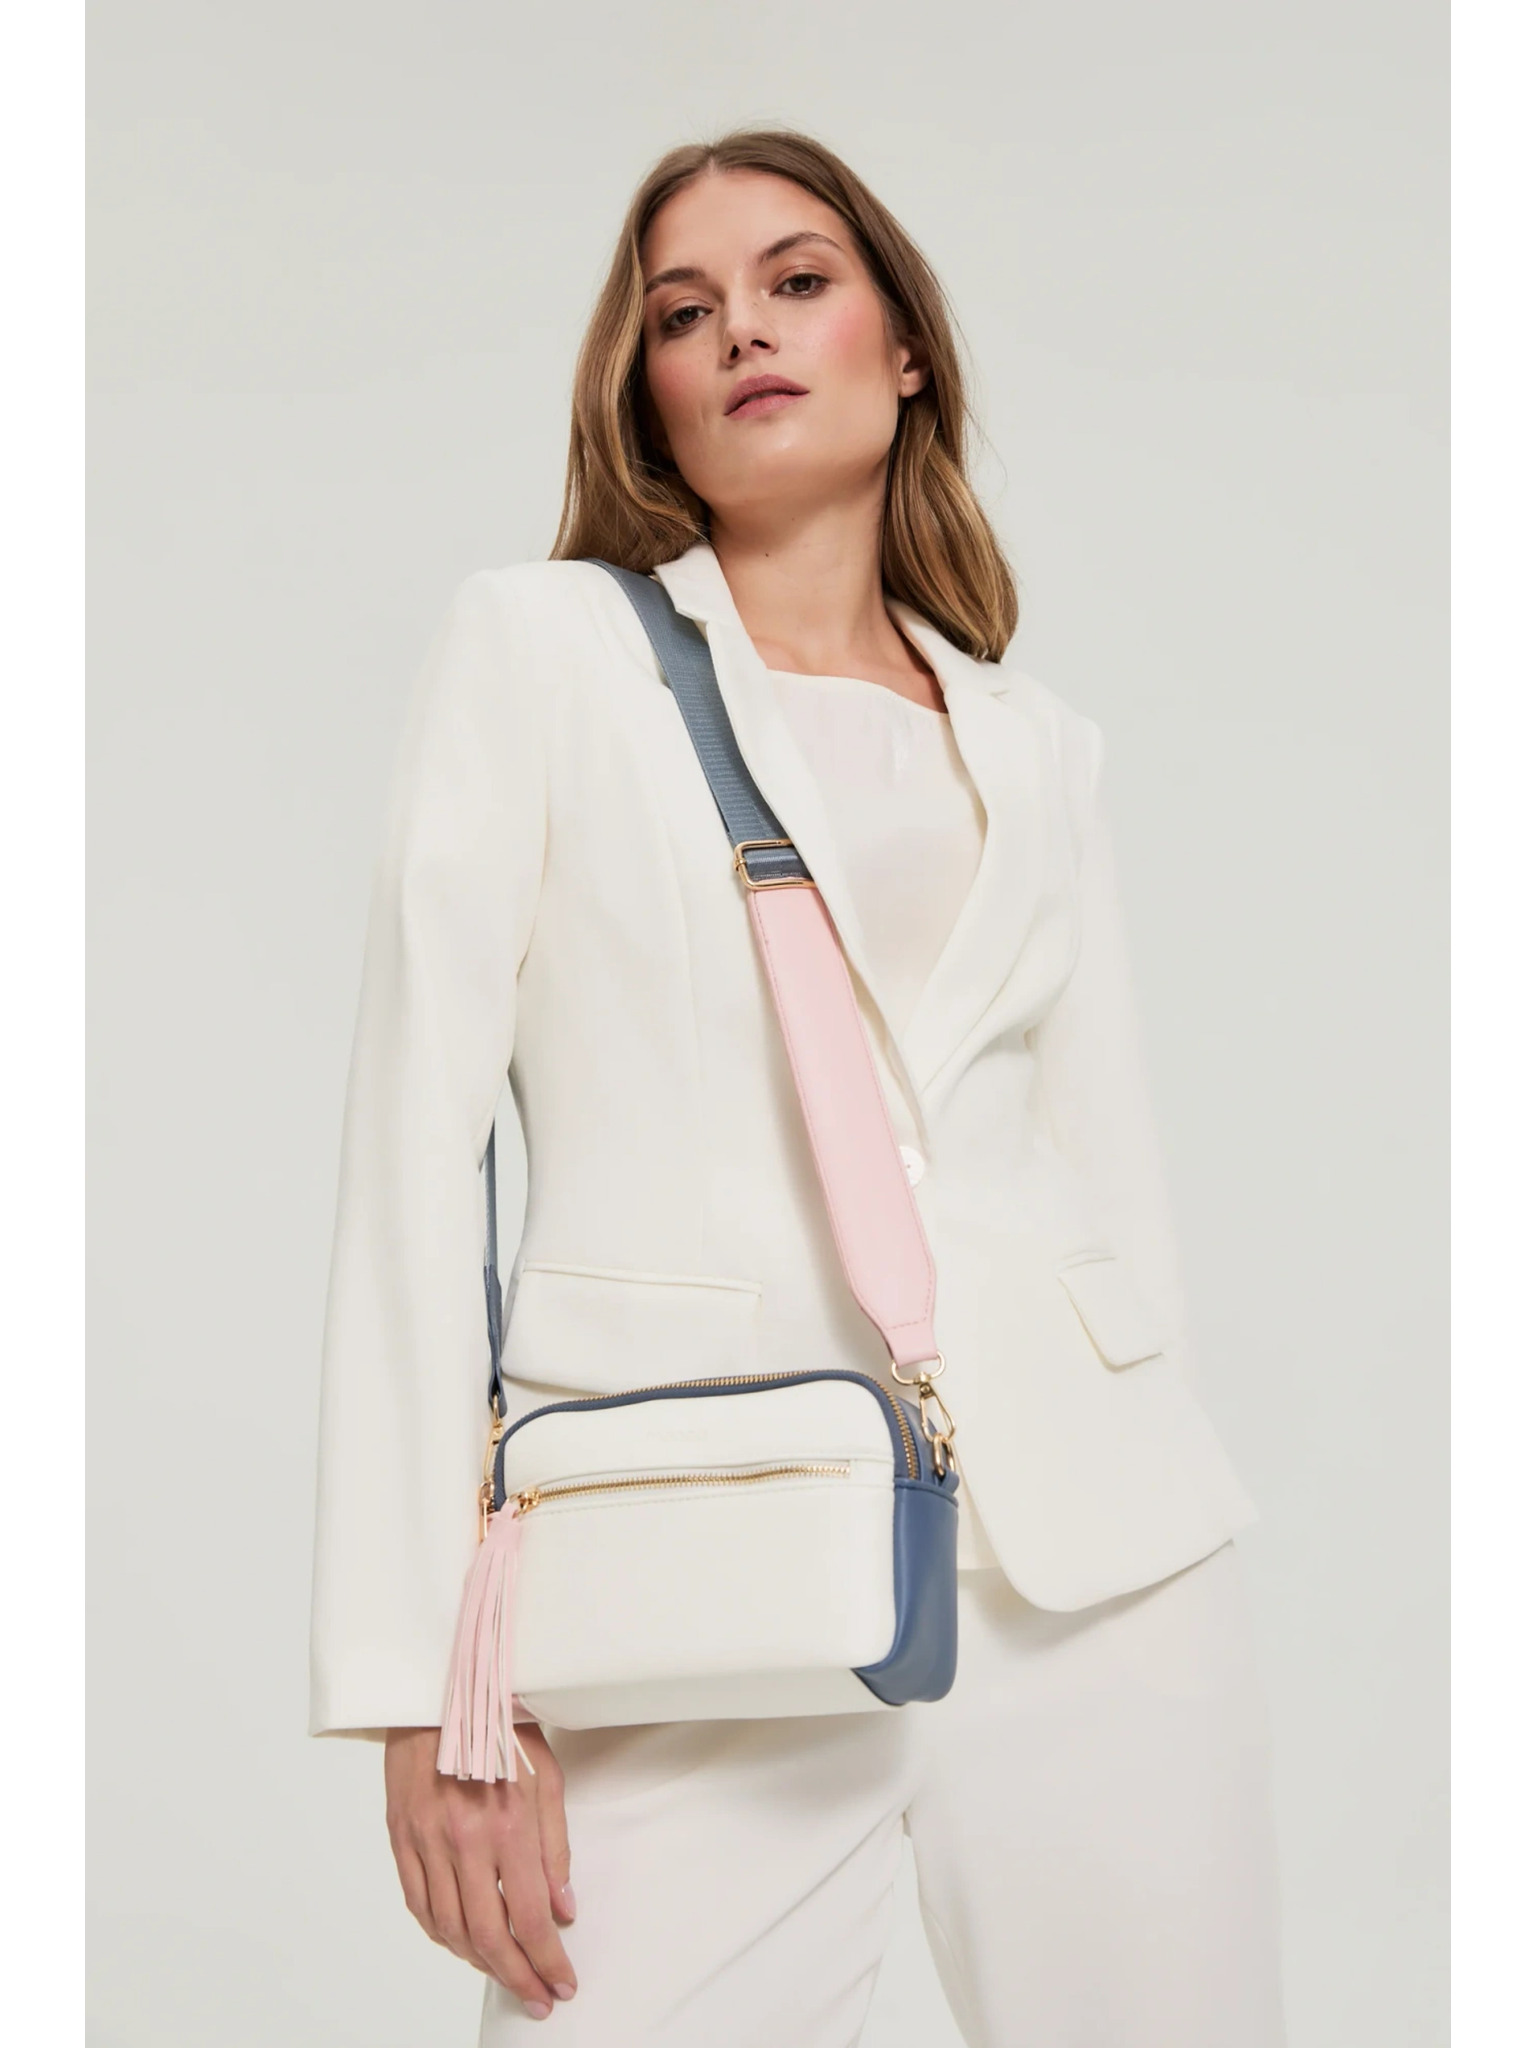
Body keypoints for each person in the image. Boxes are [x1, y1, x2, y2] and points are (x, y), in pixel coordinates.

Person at [310, 127, 1286, 2046]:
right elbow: (410, 1169)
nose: (742, 330)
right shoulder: (543, 654)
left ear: (904, 346)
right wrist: (427, 1687)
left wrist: (1154, 1468)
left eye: (797, 281)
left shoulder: (1039, 742)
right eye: (685, 313)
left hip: (1094, 1579)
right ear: (650, 395)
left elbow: (1108, 1182)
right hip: (701, 1564)